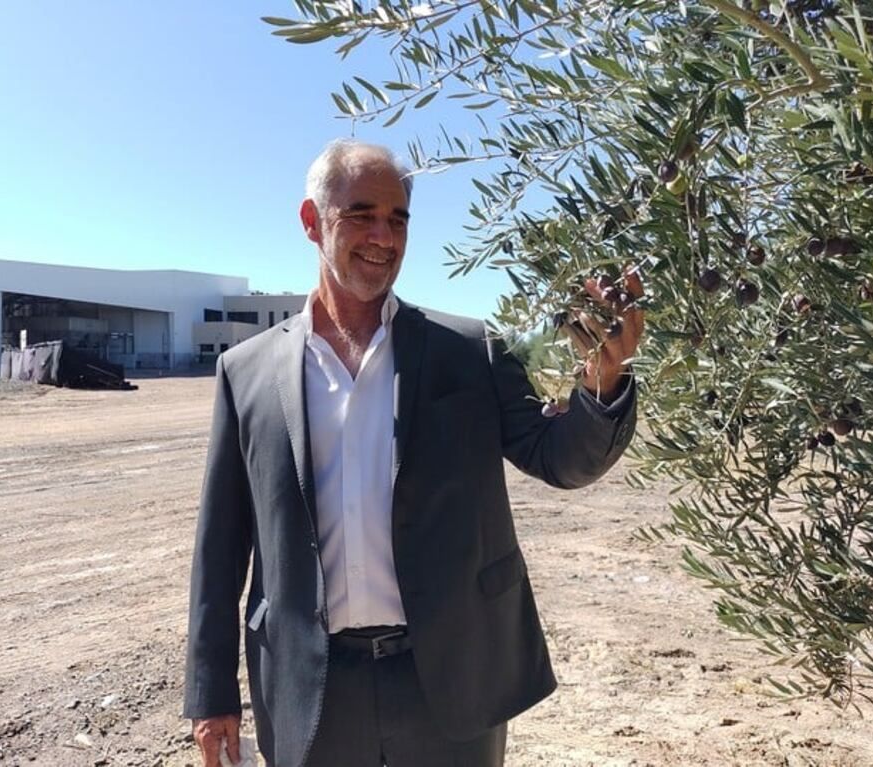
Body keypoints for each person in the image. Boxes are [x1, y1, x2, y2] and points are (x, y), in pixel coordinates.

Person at [184, 139, 643, 767]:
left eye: (398, 218)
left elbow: (559, 458)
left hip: (448, 685)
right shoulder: (248, 372)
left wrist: (602, 387)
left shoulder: (469, 351)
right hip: (311, 693)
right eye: (362, 214)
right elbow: (221, 546)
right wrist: (211, 695)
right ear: (312, 222)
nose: (384, 235)